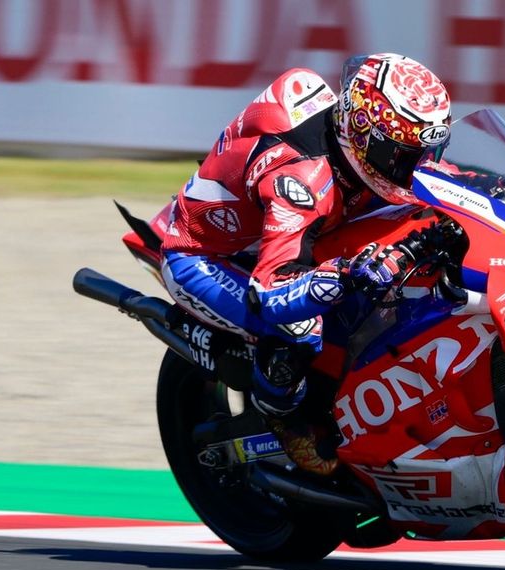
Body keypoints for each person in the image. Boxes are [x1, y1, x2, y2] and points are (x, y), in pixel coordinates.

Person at [158, 53, 452, 476]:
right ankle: (282, 417)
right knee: (298, 327)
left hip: (290, 228)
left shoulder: (355, 144)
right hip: (203, 256)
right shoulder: (301, 182)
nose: (417, 167)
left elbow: (438, 183)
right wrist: (345, 274)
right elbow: (271, 293)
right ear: (363, 134)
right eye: (404, 156)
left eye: (426, 152)